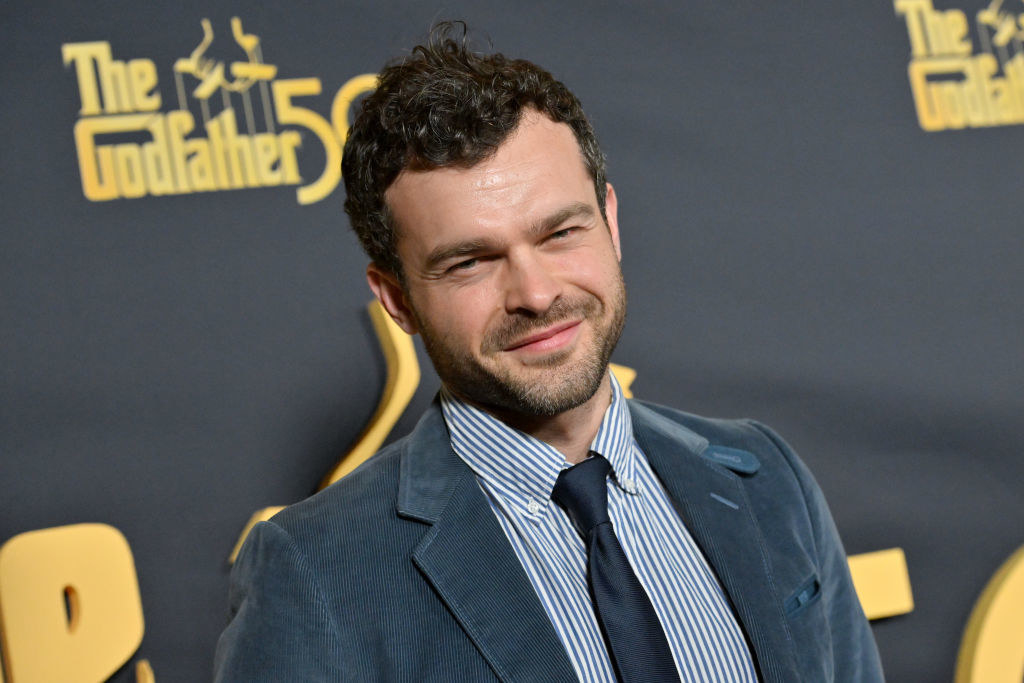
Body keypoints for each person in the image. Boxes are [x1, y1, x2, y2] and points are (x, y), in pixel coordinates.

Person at [214, 22, 884, 683]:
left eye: (561, 232)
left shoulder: (763, 478)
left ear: (610, 222)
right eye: (470, 262)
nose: (535, 293)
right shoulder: (316, 573)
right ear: (396, 299)